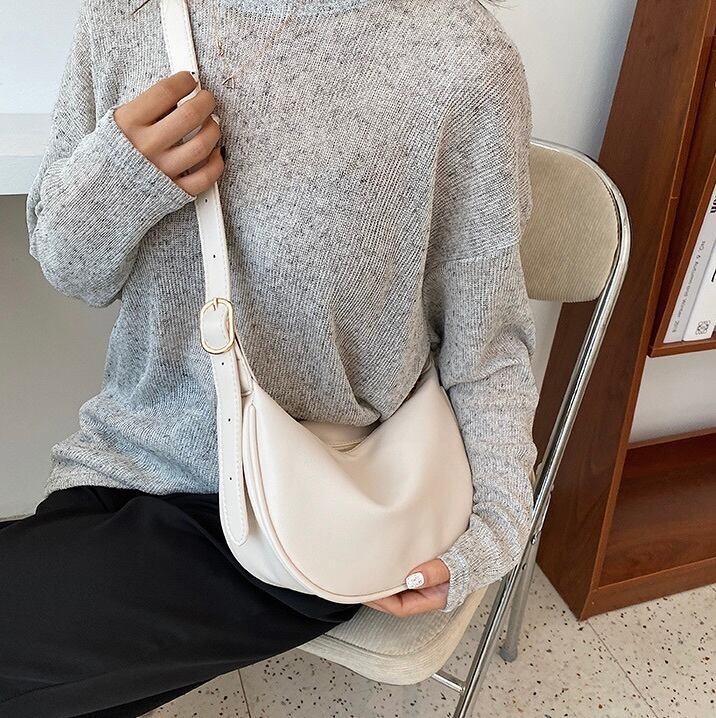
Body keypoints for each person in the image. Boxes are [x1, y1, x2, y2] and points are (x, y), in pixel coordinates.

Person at [0, 0, 539, 715]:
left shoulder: (458, 56)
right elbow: (74, 272)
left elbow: (486, 348)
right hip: (125, 463)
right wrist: (123, 177)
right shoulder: (129, 15)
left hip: (314, 501)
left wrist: (494, 529)